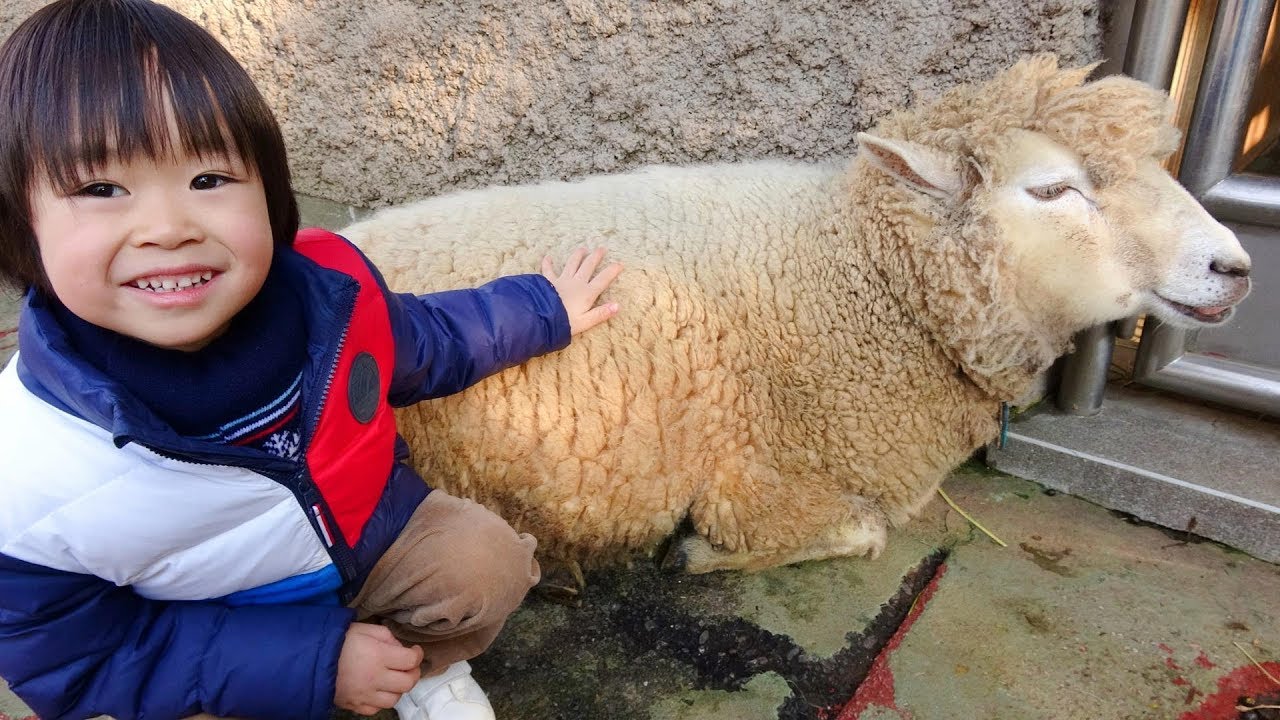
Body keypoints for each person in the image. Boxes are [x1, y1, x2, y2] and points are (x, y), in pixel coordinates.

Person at [0, 1, 623, 719]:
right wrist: (317, 666)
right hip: (217, 620)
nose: (168, 229)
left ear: (271, 194)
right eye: (101, 190)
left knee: (485, 564)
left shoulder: (331, 303)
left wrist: (546, 310)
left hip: (369, 542)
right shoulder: (27, 471)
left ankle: (419, 666)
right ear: (21, 225)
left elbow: (432, 338)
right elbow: (79, 658)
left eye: (209, 179)